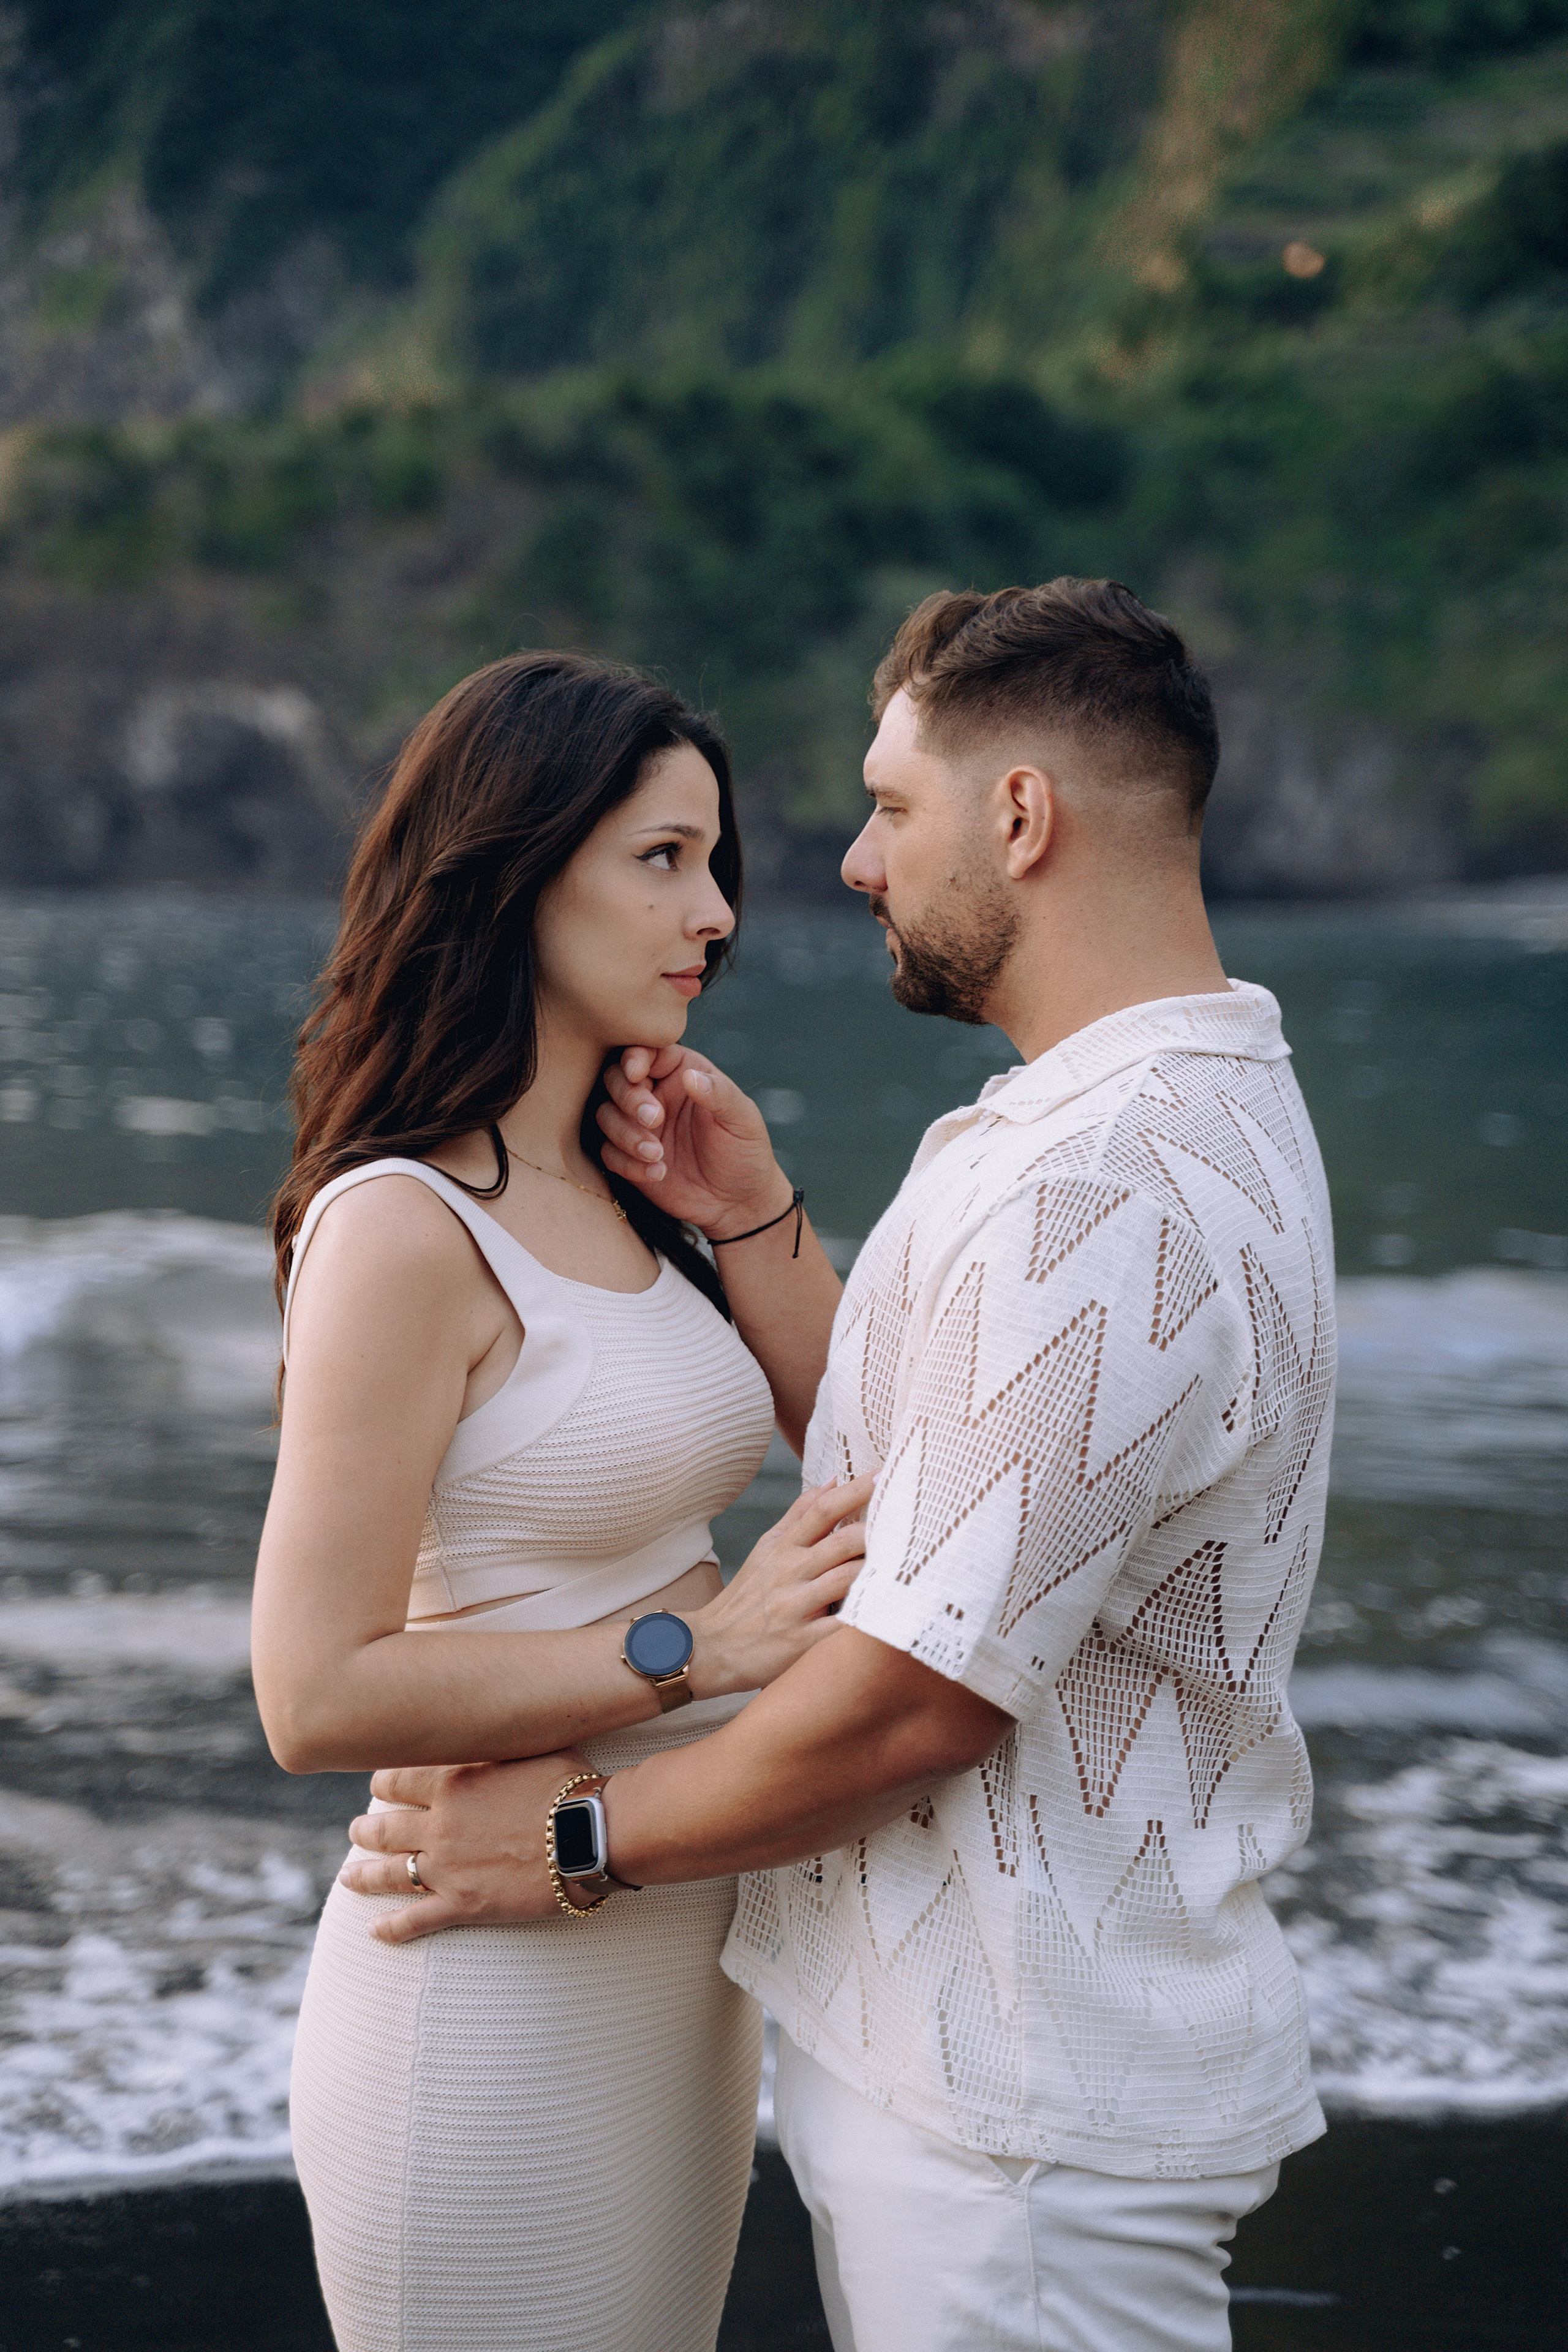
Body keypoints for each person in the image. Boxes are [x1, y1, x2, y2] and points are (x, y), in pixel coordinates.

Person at [344, 579, 1338, 2352]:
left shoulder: (1098, 1187)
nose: (852, 866)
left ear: (1019, 818)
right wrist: (758, 1225)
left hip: (1016, 2104)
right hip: (1015, 2063)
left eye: (891, 807)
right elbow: (946, 1505)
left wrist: (579, 1839)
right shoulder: (1165, 1109)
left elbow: (915, 1696)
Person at [251, 648, 874, 2352]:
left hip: (657, 1956)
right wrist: (700, 1643)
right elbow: (313, 1693)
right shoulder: (399, 1226)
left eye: (717, 861)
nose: (720, 910)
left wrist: (748, 1215)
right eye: (663, 858)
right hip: (482, 1989)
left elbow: (876, 1459)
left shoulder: (624, 1191)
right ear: (518, 869)